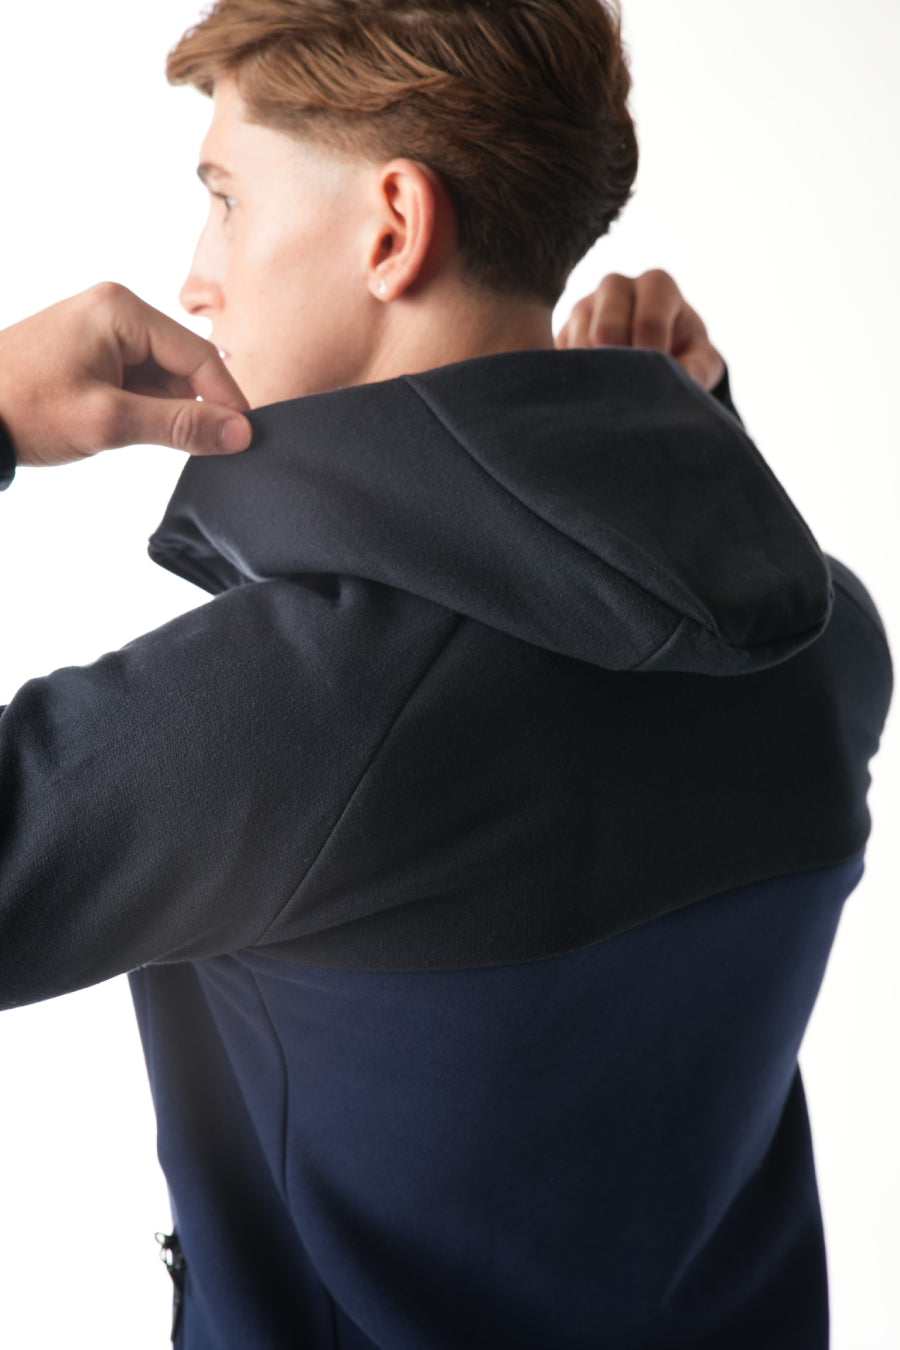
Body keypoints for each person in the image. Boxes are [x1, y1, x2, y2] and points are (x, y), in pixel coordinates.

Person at [0, 2, 891, 1347]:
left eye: (227, 199)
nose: (196, 273)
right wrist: (669, 447)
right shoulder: (823, 645)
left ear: (392, 227)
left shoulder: (302, 714)